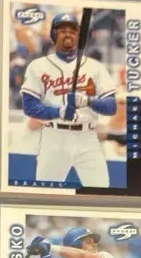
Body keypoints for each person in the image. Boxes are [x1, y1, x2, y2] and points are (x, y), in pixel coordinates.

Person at [19, 13, 117, 187]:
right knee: (46, 194)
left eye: (73, 30)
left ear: (79, 36)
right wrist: (59, 112)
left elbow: (111, 106)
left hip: (87, 137)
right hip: (54, 136)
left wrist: (87, 101)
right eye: (62, 30)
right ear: (53, 35)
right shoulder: (38, 66)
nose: (68, 34)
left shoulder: (95, 67)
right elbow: (29, 106)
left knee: (100, 191)